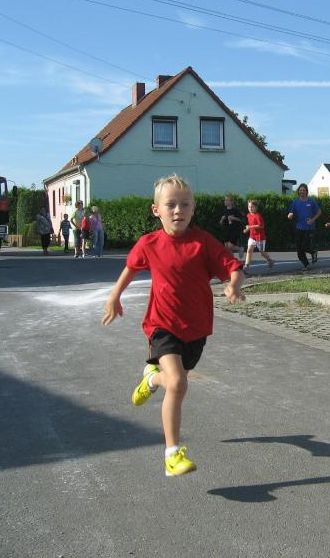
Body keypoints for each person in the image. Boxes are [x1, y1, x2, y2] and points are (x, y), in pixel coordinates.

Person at [102, 174, 245, 477]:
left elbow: (233, 267)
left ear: (193, 209)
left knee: (174, 382)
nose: (178, 210)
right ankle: (172, 454)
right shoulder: (149, 243)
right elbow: (130, 268)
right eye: (171, 205)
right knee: (179, 383)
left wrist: (233, 285)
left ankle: (151, 379)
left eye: (185, 204)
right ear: (157, 210)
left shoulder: (203, 242)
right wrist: (115, 296)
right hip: (162, 325)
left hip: (196, 328)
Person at [287, 183, 321, 270]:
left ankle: (313, 253)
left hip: (309, 228)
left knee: (304, 247)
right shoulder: (296, 202)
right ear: (298, 191)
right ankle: (306, 265)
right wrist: (290, 215)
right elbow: (291, 211)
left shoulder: (311, 201)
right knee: (299, 250)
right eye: (300, 190)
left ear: (306, 191)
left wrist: (312, 220)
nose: (302, 191)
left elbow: (319, 212)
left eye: (303, 190)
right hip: (299, 228)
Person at [243, 199, 275, 273]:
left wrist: (250, 227)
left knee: (262, 252)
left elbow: (261, 226)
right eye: (249, 207)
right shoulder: (248, 215)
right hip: (252, 237)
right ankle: (246, 266)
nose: (250, 208)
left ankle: (270, 260)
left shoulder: (258, 216)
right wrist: (247, 229)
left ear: (256, 207)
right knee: (249, 250)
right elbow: (250, 226)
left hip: (260, 237)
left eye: (252, 207)